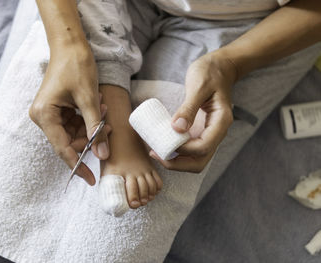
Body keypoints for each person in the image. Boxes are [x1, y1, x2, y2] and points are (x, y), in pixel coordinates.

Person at [29, 0, 321, 210]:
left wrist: (228, 64)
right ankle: (115, 115)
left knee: (178, 134)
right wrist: (67, 47)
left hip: (231, 18)